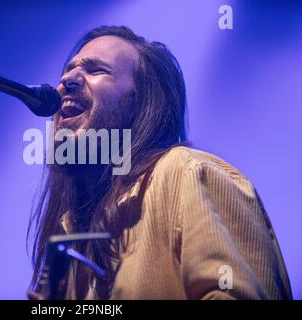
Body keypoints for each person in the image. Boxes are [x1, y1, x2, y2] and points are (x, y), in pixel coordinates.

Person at [27, 25, 292, 300]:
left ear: (141, 101)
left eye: (96, 70)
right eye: (68, 70)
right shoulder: (68, 226)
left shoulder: (188, 173)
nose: (68, 79)